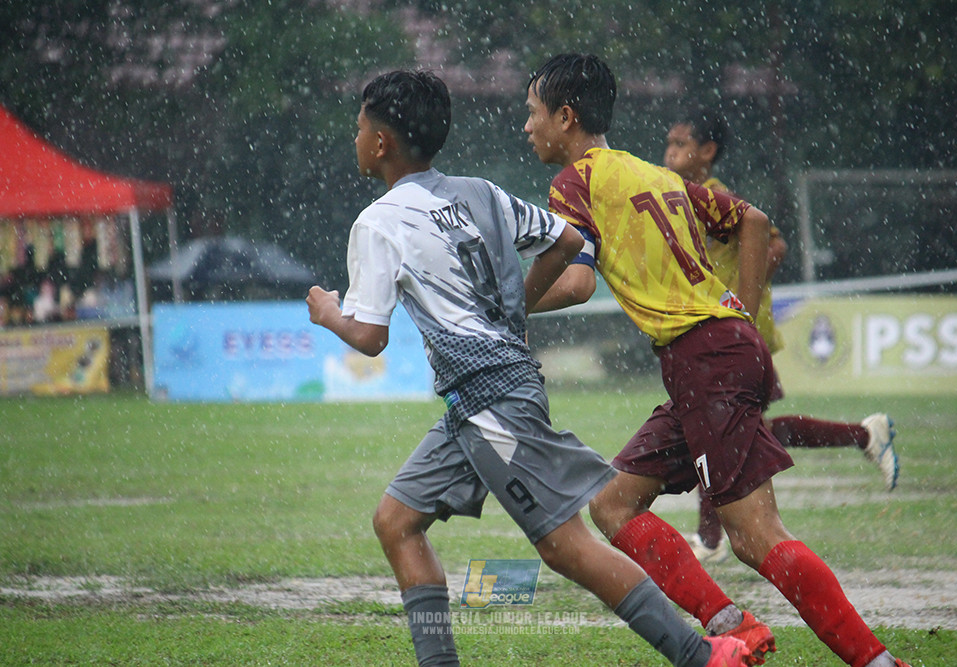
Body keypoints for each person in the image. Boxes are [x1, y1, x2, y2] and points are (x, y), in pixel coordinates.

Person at [306, 69, 751, 667]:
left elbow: (369, 336)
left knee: (566, 547)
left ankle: (702, 655)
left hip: (488, 400)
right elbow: (565, 243)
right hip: (480, 399)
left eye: (360, 128)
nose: (356, 138)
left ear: (381, 143)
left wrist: (329, 313)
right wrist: (513, 306)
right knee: (396, 521)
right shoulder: (481, 192)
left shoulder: (378, 221)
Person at [523, 53, 912, 667]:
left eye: (532, 112)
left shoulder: (576, 183)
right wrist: (743, 313)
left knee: (757, 538)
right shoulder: (655, 174)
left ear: (565, 117)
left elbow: (573, 281)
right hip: (713, 356)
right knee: (612, 503)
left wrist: (505, 306)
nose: (527, 126)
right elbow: (753, 222)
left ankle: (876, 661)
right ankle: (735, 625)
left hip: (704, 359)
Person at [664, 108, 900, 563]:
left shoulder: (713, 197)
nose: (670, 153)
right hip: (717, 337)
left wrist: (741, 306)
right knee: (730, 433)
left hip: (732, 337)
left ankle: (710, 540)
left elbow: (773, 243)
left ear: (707, 152)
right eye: (669, 144)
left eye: (679, 144)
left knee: (717, 432)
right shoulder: (679, 196)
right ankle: (864, 436)